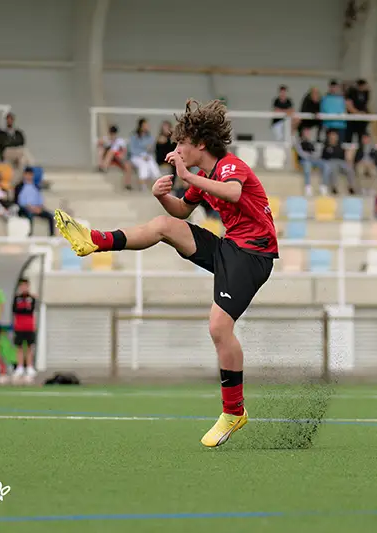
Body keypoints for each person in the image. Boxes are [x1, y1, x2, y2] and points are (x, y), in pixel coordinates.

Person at [54, 99, 278, 448]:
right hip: (230, 248)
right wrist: (163, 197)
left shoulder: (231, 167)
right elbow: (182, 211)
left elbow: (233, 193)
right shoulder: (203, 176)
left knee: (219, 327)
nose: (175, 150)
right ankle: (94, 241)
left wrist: (187, 177)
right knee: (164, 225)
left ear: (199, 144)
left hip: (253, 253)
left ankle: (234, 411)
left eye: (180, 144)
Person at [12, 278, 38, 379]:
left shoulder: (32, 298)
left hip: (29, 326)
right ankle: (19, 367)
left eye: (25, 285)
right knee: (19, 347)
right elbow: (16, 310)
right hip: (19, 326)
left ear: (28, 286)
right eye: (22, 286)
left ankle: (29, 367)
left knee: (29, 347)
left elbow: (30, 309)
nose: (24, 288)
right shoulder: (16, 298)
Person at [17, 167, 55, 236]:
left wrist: (39, 208)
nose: (29, 176)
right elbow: (20, 201)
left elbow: (40, 200)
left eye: (30, 175)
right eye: (27, 175)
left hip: (37, 208)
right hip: (25, 209)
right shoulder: (19, 186)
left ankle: (52, 236)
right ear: (24, 175)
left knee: (50, 216)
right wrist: (31, 208)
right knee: (29, 215)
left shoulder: (36, 187)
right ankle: (30, 235)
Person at [294, 129, 331, 197]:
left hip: (314, 160)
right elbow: (301, 153)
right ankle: (308, 187)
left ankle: (323, 186)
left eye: (308, 133)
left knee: (326, 165)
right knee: (307, 165)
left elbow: (318, 153)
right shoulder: (299, 142)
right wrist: (309, 155)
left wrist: (314, 155)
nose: (308, 134)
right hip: (303, 161)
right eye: (306, 133)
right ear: (302, 134)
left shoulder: (313, 142)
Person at [129, 118, 161, 188]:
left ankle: (158, 183)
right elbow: (132, 149)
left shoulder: (149, 136)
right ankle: (143, 185)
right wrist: (141, 155)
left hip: (147, 156)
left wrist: (150, 148)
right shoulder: (134, 136)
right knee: (143, 165)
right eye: (145, 125)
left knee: (152, 164)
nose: (146, 127)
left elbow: (152, 149)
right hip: (136, 156)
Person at [322, 129, 356, 195]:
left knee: (349, 169)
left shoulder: (340, 144)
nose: (334, 137)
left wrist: (348, 160)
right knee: (334, 169)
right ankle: (334, 187)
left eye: (335, 135)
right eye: (332, 135)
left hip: (341, 162)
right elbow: (324, 157)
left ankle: (351, 187)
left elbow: (344, 156)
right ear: (329, 136)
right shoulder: (326, 145)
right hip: (331, 161)